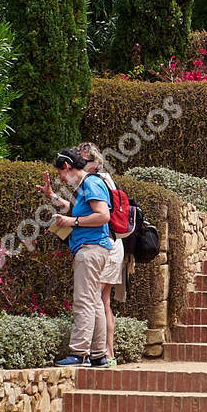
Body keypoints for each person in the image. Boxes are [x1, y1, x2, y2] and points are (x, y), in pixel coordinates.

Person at [43, 148, 114, 366]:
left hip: (90, 248)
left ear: (67, 166)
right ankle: (99, 355)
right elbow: (75, 209)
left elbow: (103, 215)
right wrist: (52, 197)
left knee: (84, 301)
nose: (61, 179)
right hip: (94, 248)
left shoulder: (91, 183)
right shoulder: (85, 186)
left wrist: (71, 223)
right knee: (94, 302)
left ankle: (79, 352)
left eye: (60, 174)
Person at [77, 141, 125, 367]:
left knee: (98, 299)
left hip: (107, 244)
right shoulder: (100, 180)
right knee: (101, 299)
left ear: (94, 163)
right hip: (111, 244)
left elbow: (103, 216)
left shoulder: (96, 182)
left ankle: (102, 353)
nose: (79, 164)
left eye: (83, 160)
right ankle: (105, 353)